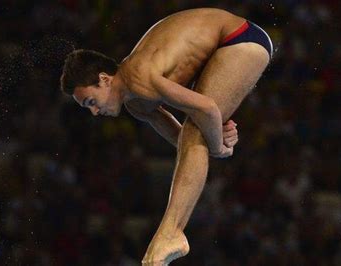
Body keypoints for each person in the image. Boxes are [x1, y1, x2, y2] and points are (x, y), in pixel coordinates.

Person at [60, 8, 272, 266]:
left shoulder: (137, 76)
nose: (95, 112)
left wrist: (216, 143)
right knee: (196, 134)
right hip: (223, 46)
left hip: (241, 39)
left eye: (91, 102)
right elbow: (184, 141)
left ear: (104, 79)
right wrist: (212, 137)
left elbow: (205, 109)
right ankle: (170, 233)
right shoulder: (135, 104)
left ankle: (171, 232)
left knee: (198, 130)